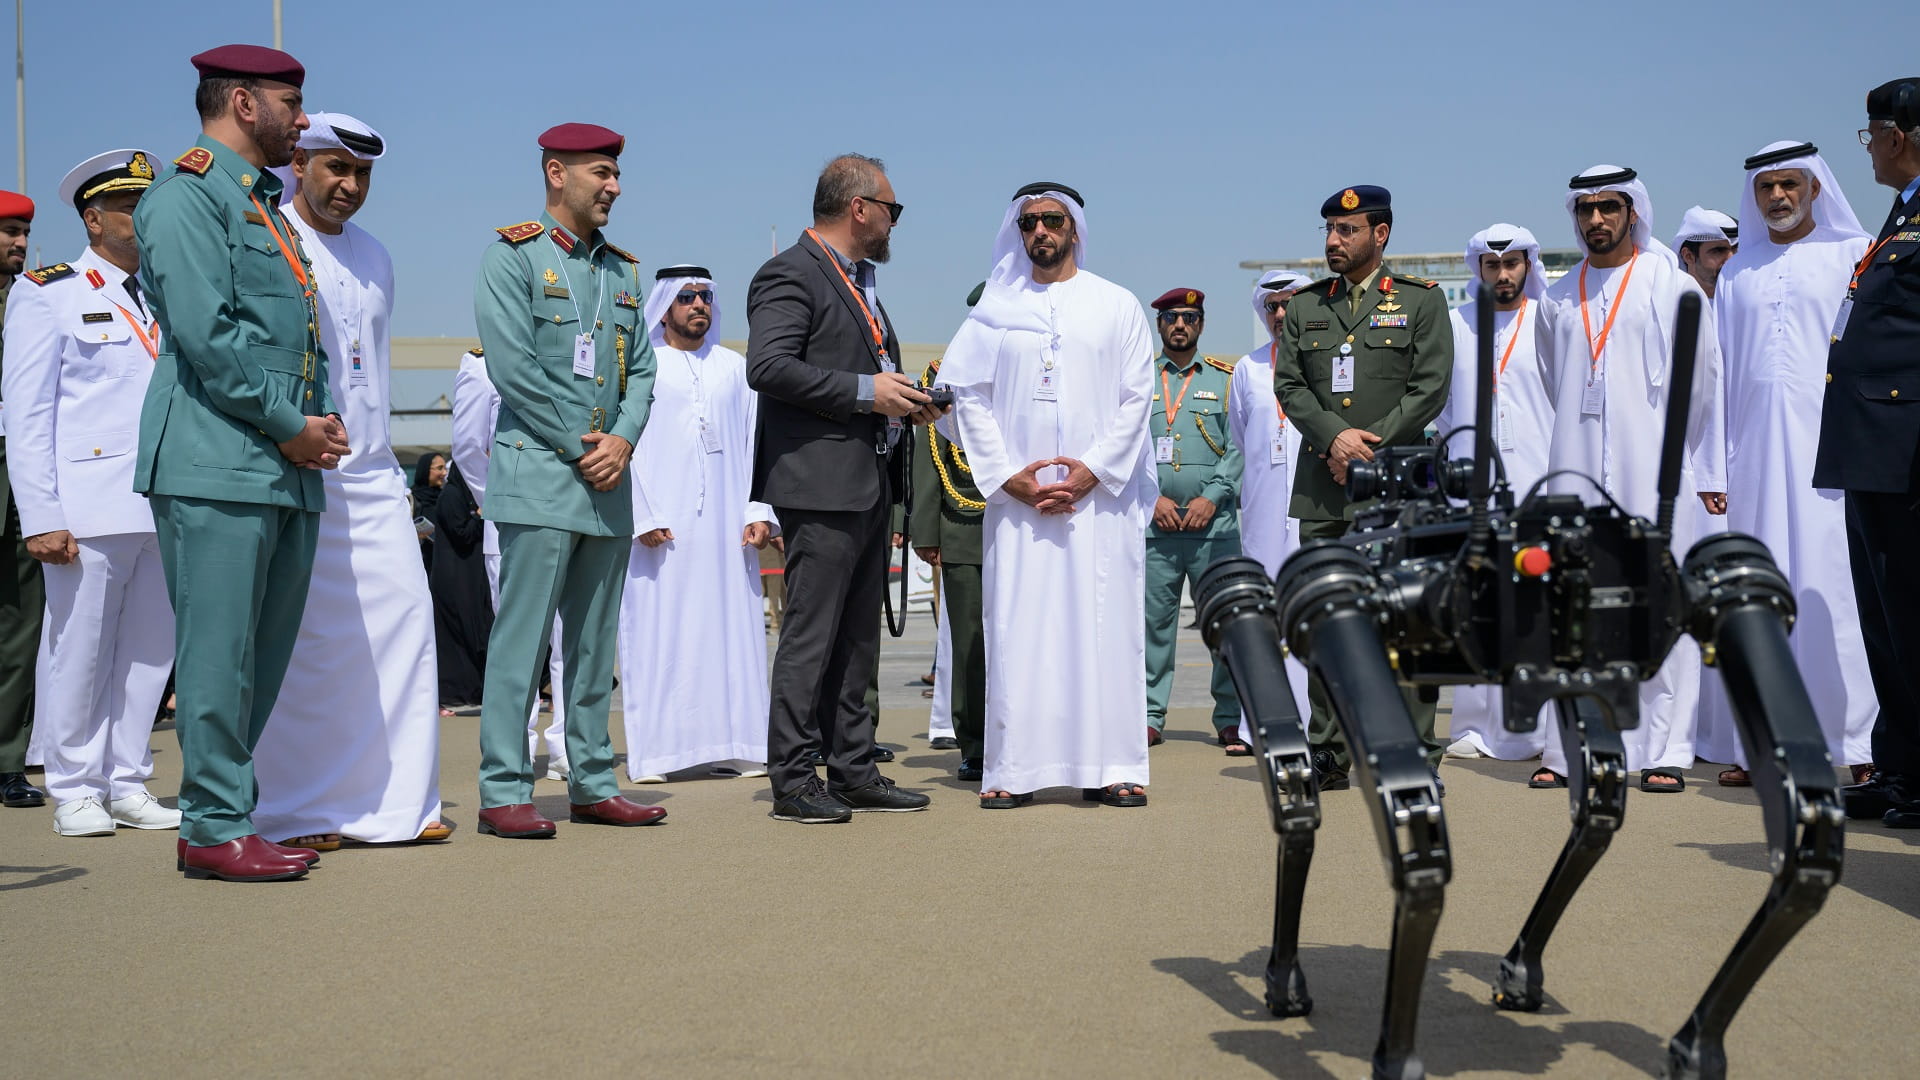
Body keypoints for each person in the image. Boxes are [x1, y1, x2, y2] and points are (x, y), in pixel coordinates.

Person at [136, 44, 351, 880]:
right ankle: (213, 826)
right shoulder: (186, 196)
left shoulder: (262, 204)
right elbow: (208, 336)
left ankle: (226, 815)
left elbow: (290, 338)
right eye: (291, 102)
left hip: (280, 464)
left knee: (260, 659)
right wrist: (291, 424)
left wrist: (316, 426)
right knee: (218, 656)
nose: (303, 118)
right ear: (242, 102)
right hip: (215, 459)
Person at [249, 112, 447, 849]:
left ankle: (398, 805)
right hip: (299, 467)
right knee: (305, 646)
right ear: (298, 163)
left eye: (362, 173)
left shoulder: (377, 254)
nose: (350, 185)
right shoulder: (270, 237)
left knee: (405, 622)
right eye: (337, 168)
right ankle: (298, 811)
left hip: (372, 474)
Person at [470, 122, 662, 838]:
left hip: (608, 482)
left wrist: (623, 439)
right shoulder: (512, 258)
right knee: (521, 644)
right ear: (557, 173)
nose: (614, 187)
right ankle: (503, 789)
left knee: (593, 645)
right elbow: (513, 367)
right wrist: (584, 445)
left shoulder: (623, 271)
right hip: (543, 475)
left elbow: (643, 370)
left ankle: (593, 782)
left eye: (616, 175)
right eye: (600, 173)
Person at [943, 181, 1156, 809]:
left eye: (1053, 220)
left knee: (1105, 628)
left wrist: (1093, 471)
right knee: (1019, 631)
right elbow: (965, 398)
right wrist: (1007, 475)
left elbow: (1137, 398)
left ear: (1074, 229)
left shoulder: (1117, 304)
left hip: (1100, 505)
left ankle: (1113, 766)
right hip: (1019, 505)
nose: (1040, 230)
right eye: (1030, 221)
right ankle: (1013, 768)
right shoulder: (993, 311)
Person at [746, 153, 937, 824]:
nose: (894, 221)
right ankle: (794, 778)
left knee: (858, 638)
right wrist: (865, 392)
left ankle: (852, 769)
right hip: (819, 485)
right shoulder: (790, 273)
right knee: (811, 636)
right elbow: (768, 366)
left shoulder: (858, 282)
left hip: (865, 481)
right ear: (859, 208)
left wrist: (903, 402)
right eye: (891, 208)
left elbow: (865, 371)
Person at [1533, 165, 1726, 792]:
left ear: (1632, 212)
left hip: (1654, 470)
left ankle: (1668, 747)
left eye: (1608, 207)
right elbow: (1552, 378)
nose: (1596, 219)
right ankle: (1574, 746)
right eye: (1585, 209)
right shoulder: (1557, 298)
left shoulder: (1672, 287)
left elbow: (1701, 385)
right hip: (1578, 469)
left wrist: (1669, 454)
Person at [1, 150, 177, 835]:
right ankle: (74, 785)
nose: (143, 220)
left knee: (149, 653)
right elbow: (27, 415)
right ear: (94, 219)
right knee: (79, 650)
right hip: (87, 505)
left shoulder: (167, 291)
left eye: (149, 206)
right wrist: (40, 515)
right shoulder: (49, 292)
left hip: (164, 500)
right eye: (130, 208)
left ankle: (127, 780)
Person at [1694, 142, 1876, 788]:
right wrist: (1712, 469)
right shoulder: (1738, 271)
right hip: (1754, 462)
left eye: (1789, 184)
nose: (1777, 196)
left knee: (1838, 596)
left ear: (1815, 188)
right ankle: (1762, 745)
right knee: (1759, 599)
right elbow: (1716, 375)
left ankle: (1857, 742)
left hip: (1835, 459)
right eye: (1766, 187)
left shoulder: (1853, 255)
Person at [1273, 185, 1452, 791]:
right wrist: (1334, 440)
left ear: (1381, 234)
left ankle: (1416, 753)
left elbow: (1430, 388)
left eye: (1346, 229)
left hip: (1398, 485)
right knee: (1327, 618)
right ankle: (1328, 750)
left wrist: (1363, 449)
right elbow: (1290, 385)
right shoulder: (1306, 306)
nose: (1333, 240)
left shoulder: (1421, 301)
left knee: (1408, 618)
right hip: (1325, 488)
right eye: (1329, 228)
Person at [617, 265, 773, 783]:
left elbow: (757, 443)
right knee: (660, 634)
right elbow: (622, 445)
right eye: (686, 297)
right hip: (661, 529)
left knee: (733, 633)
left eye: (705, 295)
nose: (698, 304)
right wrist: (641, 513)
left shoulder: (735, 369)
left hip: (729, 529)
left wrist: (759, 511)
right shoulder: (641, 368)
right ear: (664, 308)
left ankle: (741, 745)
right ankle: (659, 755)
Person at [1820, 78, 1920, 828]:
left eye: (1872, 136)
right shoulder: (1904, 214)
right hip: (1874, 452)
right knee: (1886, 622)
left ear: (1899, 136)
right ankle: (1900, 767)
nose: (1870, 151)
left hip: (1906, 454)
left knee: (1912, 618)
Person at [1433, 225, 1555, 762]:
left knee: (1535, 603)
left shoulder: (1549, 320)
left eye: (1512, 264)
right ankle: (1473, 725)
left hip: (1536, 480)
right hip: (1473, 486)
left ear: (1528, 266)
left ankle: (1537, 725)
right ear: (1477, 269)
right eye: (1492, 265)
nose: (1502, 274)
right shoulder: (1455, 325)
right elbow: (1441, 406)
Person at [450, 344, 571, 778]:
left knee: (571, 641)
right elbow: (467, 446)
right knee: (518, 645)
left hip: (568, 515)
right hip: (510, 525)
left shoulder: (567, 355)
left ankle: (567, 747)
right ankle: (514, 748)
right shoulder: (484, 365)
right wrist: (502, 500)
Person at [1143, 287, 1245, 754]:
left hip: (1214, 529)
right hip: (1156, 528)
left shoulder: (1225, 380)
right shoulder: (1139, 380)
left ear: (1201, 324)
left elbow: (1239, 445)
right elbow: (1127, 448)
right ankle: (1149, 716)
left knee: (1225, 624)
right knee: (1153, 627)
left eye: (1189, 317)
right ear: (1159, 325)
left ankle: (1230, 718)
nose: (1180, 325)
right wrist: (1151, 499)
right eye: (1171, 318)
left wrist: (1213, 497)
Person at [1226, 270, 1312, 740]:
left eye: (1290, 304)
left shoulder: (1328, 360)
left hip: (1313, 506)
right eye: (1272, 306)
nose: (1280, 313)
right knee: (1263, 611)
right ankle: (1261, 720)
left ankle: (1317, 720)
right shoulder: (1248, 368)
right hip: (1262, 508)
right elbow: (1243, 436)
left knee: (1312, 608)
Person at [911, 282, 988, 783]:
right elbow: (927, 455)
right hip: (965, 526)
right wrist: (926, 529)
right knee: (970, 642)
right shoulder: (942, 376)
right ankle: (975, 744)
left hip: (1032, 526)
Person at [0, 188, 46, 811]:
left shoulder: (36, 297)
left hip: (20, 477)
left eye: (24, 232)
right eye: (8, 231)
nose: (20, 242)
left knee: (19, 626)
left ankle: (8, 762)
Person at [430, 459, 491, 709]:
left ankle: (473, 689)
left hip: (466, 576)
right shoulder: (451, 496)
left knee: (472, 632)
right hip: (454, 579)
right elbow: (461, 533)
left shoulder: (464, 496)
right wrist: (480, 517)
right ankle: (454, 692)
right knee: (458, 634)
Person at [1672, 206, 1739, 299]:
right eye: (1719, 250)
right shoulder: (1669, 304)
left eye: (1735, 249)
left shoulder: (1748, 301)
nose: (1731, 258)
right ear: (1688, 256)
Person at [411, 452, 445, 567]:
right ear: (425, 470)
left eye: (445, 468)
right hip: (419, 560)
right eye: (440, 468)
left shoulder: (444, 496)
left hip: (442, 560)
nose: (444, 473)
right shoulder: (411, 498)